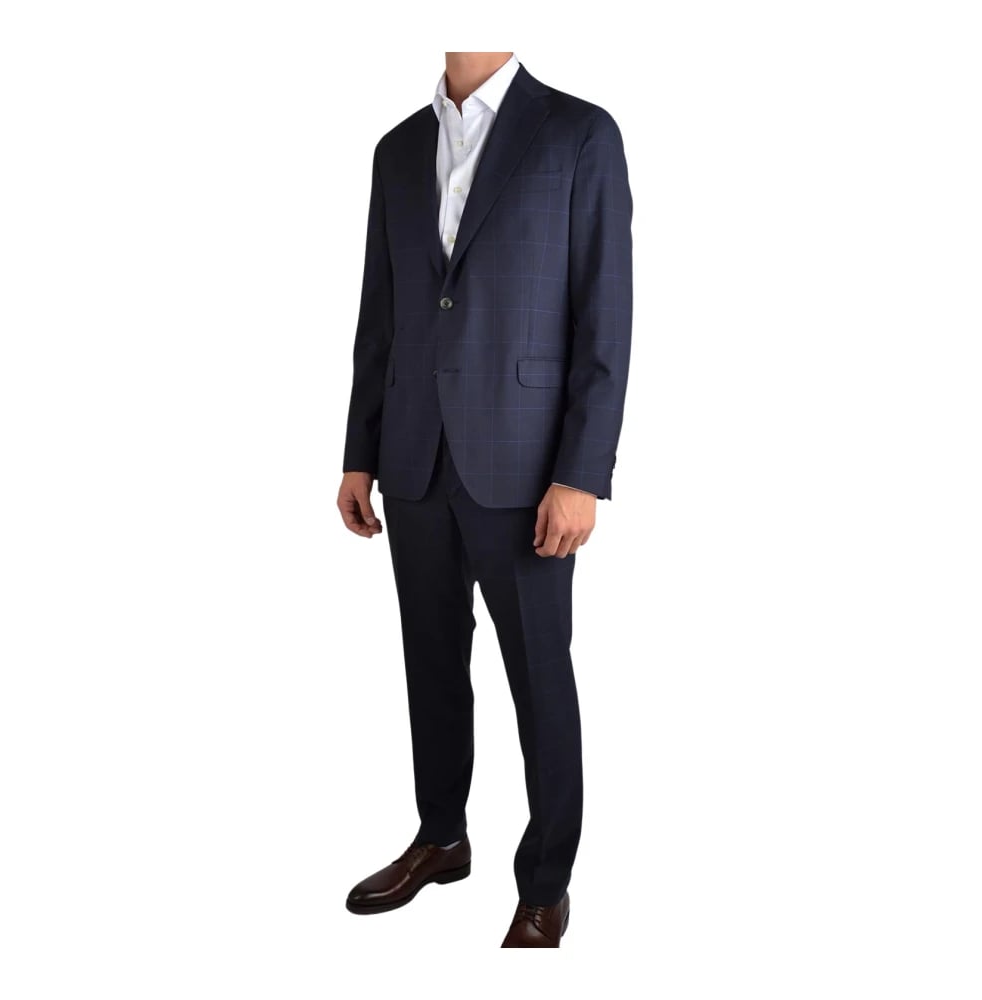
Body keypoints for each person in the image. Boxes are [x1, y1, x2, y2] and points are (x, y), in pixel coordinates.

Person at [337, 51, 633, 948]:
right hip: (414, 457)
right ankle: (441, 836)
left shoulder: (579, 134)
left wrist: (581, 473)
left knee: (539, 677)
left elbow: (605, 314)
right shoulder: (397, 150)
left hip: (527, 466)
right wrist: (359, 452)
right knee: (429, 664)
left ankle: (545, 884)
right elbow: (381, 313)